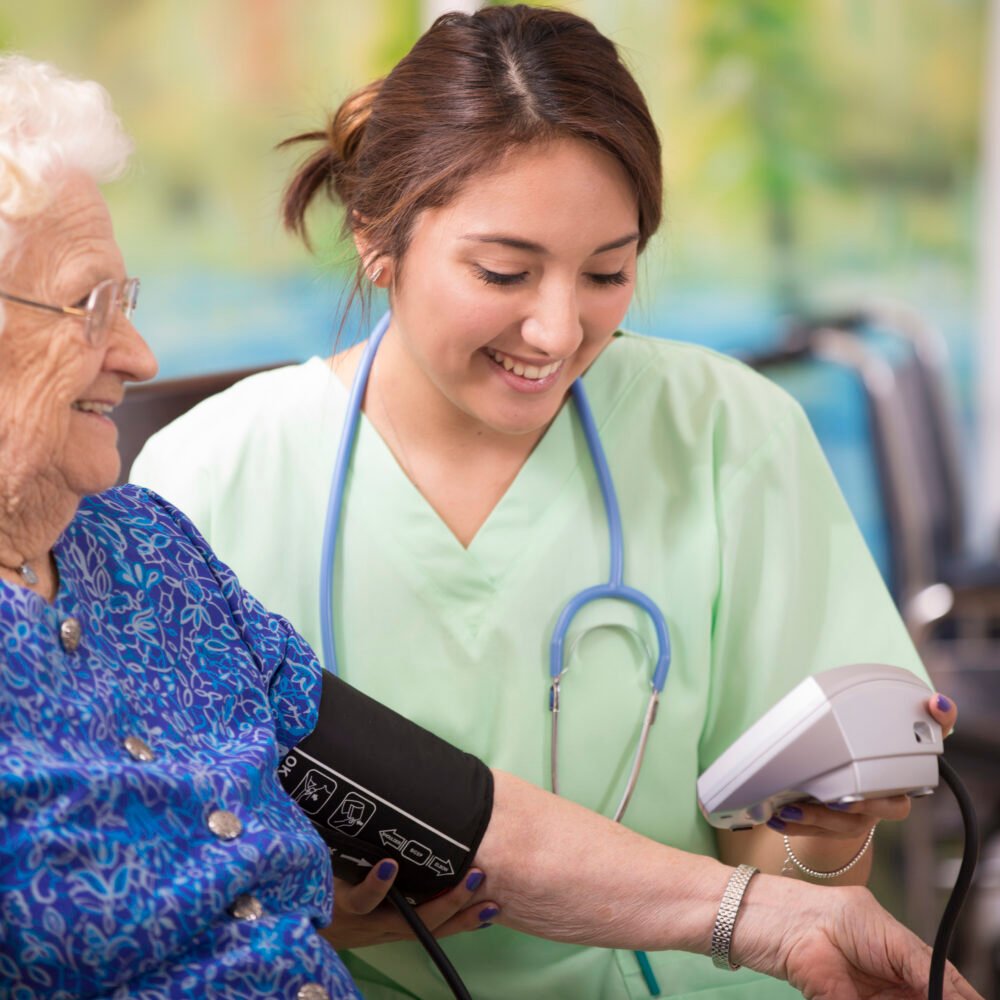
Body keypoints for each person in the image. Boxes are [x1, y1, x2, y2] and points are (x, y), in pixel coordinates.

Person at [0, 41, 975, 1000]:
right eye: (505, 274)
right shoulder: (200, 482)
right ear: (378, 241)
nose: (556, 330)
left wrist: (802, 871)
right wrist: (304, 900)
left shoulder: (143, 557)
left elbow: (475, 822)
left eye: (606, 272)